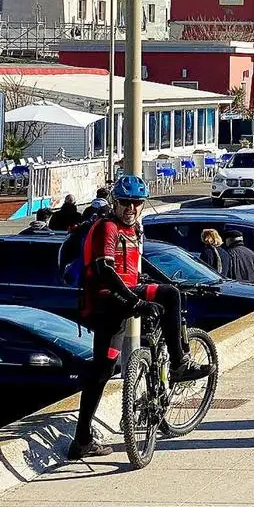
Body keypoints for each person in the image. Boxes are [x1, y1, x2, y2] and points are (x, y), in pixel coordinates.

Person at [69, 174, 211, 460]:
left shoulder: (133, 229)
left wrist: (159, 282)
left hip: (125, 293)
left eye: (136, 203)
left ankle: (179, 362)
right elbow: (104, 271)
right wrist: (135, 301)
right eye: (125, 202)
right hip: (108, 302)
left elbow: (134, 266)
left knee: (170, 294)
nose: (131, 208)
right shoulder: (108, 227)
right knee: (102, 370)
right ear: (114, 202)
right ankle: (82, 440)